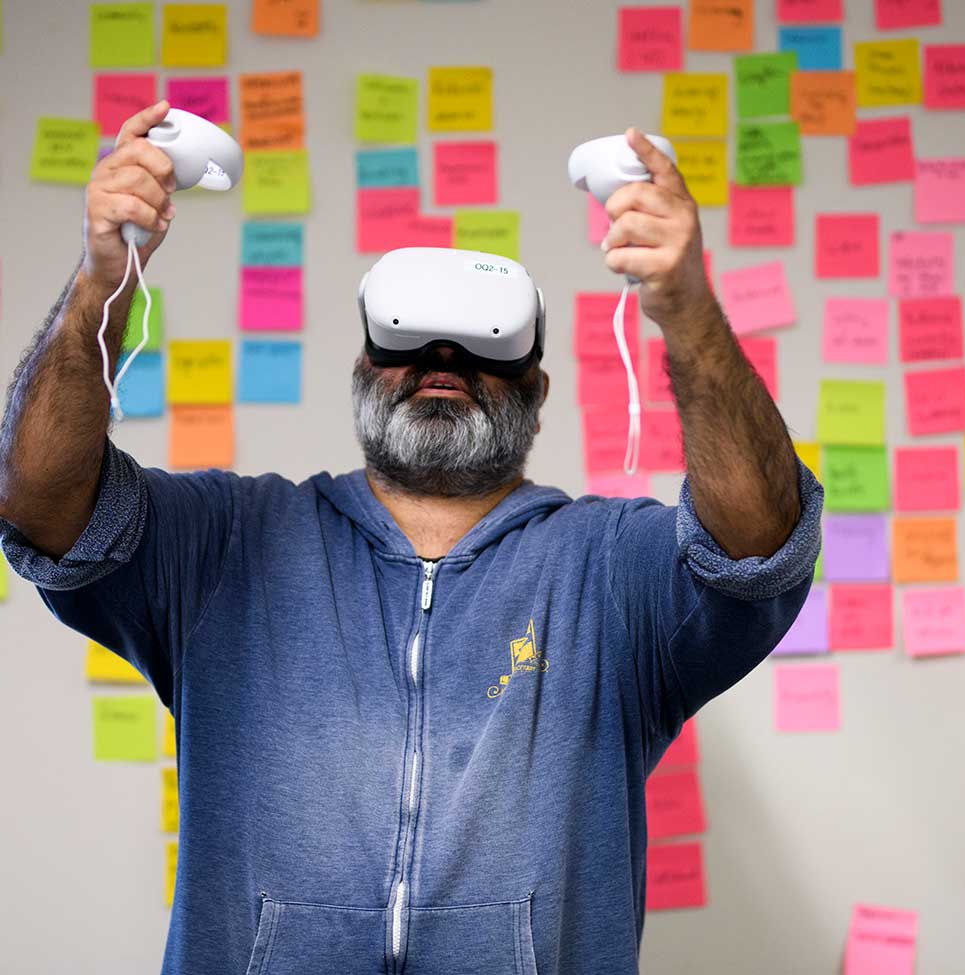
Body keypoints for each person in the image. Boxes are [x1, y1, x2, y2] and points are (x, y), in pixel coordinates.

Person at [0, 101, 822, 975]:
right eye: (410, 342)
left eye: (482, 349)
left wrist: (689, 312)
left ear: (537, 391)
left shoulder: (609, 569)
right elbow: (42, 500)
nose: (443, 361)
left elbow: (758, 544)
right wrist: (103, 281)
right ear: (363, 371)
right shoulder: (225, 545)